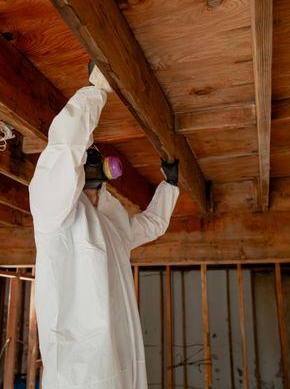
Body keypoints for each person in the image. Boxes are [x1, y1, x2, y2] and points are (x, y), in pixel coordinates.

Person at [29, 62, 179, 388]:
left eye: (94, 156)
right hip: (81, 373)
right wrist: (95, 93)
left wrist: (170, 188)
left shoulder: (112, 227)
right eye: (89, 156)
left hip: (117, 366)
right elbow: (62, 152)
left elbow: (151, 225)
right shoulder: (54, 213)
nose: (91, 159)